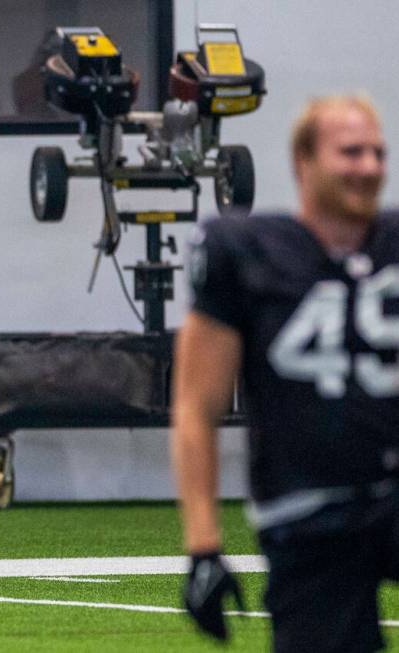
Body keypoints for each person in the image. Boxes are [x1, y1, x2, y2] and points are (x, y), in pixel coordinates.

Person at [172, 95, 399, 651]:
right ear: (305, 162)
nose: (368, 167)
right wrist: (203, 548)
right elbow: (195, 408)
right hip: (310, 508)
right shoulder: (246, 251)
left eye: (377, 153)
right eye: (350, 152)